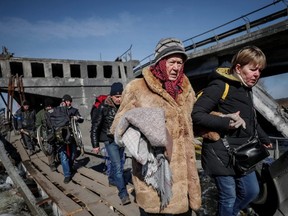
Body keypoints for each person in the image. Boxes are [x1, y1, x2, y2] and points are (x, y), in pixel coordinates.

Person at [110, 38, 201, 214]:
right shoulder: (137, 87)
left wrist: (219, 120)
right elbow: (117, 127)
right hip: (154, 179)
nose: (176, 67)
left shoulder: (186, 89)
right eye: (172, 62)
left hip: (185, 180)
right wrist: (151, 125)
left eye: (180, 63)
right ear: (160, 61)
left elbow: (195, 118)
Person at [192, 46, 273, 216]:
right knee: (228, 197)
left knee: (251, 191)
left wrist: (264, 137)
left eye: (259, 70)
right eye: (252, 69)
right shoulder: (220, 85)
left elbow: (251, 120)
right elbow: (196, 114)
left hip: (243, 154)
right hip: (220, 153)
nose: (257, 74)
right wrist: (225, 122)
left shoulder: (246, 89)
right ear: (238, 68)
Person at [90, 82, 131, 205]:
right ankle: (123, 194)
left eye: (120, 96)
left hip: (121, 139)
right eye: (116, 97)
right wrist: (95, 145)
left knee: (117, 163)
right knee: (118, 166)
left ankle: (112, 179)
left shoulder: (124, 106)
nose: (119, 99)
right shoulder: (103, 107)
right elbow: (95, 127)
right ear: (111, 96)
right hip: (109, 140)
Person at [36, 98, 57, 171]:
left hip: (56, 131)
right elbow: (38, 126)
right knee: (49, 149)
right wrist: (40, 136)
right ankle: (52, 164)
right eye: (48, 106)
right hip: (46, 133)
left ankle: (58, 158)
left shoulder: (55, 111)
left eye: (51, 106)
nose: (50, 107)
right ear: (45, 106)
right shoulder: (40, 114)